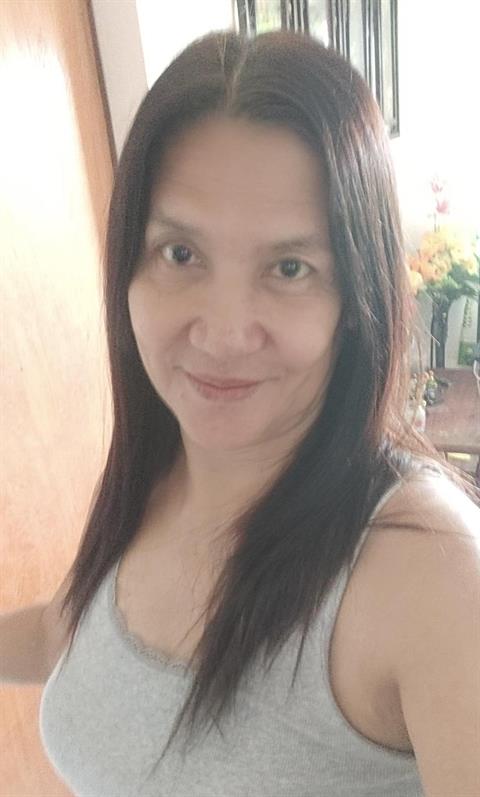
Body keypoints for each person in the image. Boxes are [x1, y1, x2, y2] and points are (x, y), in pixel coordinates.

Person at [1, 28, 479, 797]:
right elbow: (84, 631)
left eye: (289, 267)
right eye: (181, 254)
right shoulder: (161, 472)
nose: (223, 334)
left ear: (354, 301)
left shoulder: (428, 569)